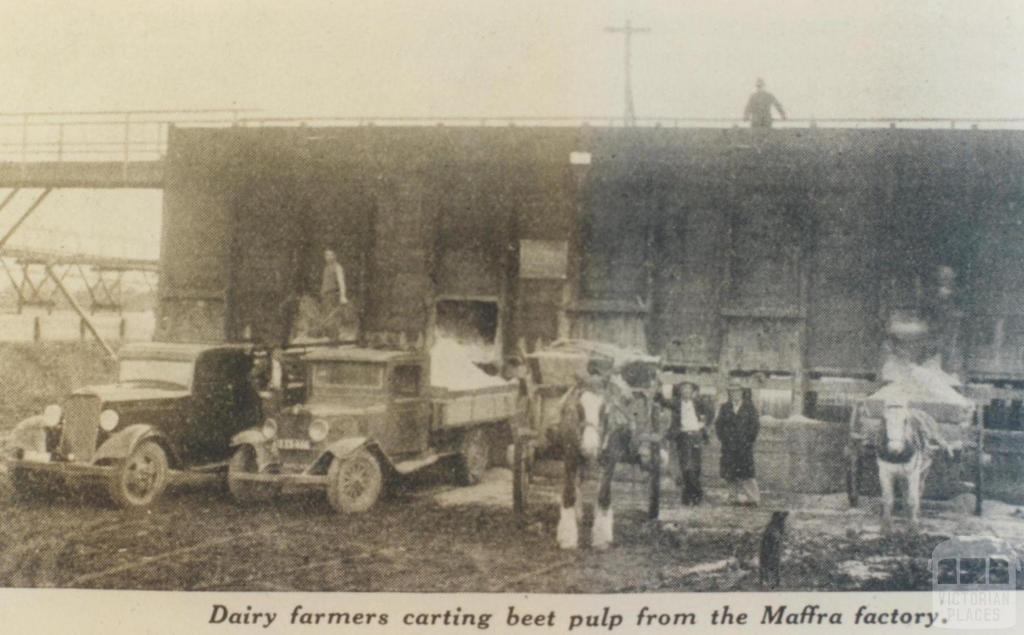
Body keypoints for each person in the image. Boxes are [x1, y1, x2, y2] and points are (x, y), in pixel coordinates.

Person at [656, 381, 713, 505]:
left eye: (689, 389)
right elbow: (662, 401)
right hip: (683, 436)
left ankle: (688, 497)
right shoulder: (676, 403)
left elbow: (711, 411)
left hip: (697, 436)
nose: (686, 392)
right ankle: (697, 495)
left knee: (696, 467)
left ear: (693, 392)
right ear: (680, 392)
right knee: (686, 467)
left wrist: (705, 425)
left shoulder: (699, 403)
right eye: (684, 389)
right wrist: (658, 387)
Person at [715, 381, 761, 506]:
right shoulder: (725, 407)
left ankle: (753, 499)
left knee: (747, 473)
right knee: (730, 473)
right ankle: (733, 497)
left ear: (742, 393)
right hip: (729, 446)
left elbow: (755, 426)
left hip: (744, 446)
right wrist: (724, 439)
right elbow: (719, 425)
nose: (735, 394)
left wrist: (748, 440)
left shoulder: (749, 408)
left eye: (737, 391)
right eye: (732, 392)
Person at [319, 249, 349, 341]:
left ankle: (334, 340)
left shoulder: (337, 267)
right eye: (326, 255)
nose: (328, 257)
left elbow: (341, 282)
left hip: (333, 295)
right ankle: (331, 339)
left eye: (330, 255)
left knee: (333, 318)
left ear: (335, 256)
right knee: (327, 317)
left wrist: (343, 296)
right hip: (326, 296)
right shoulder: (326, 268)